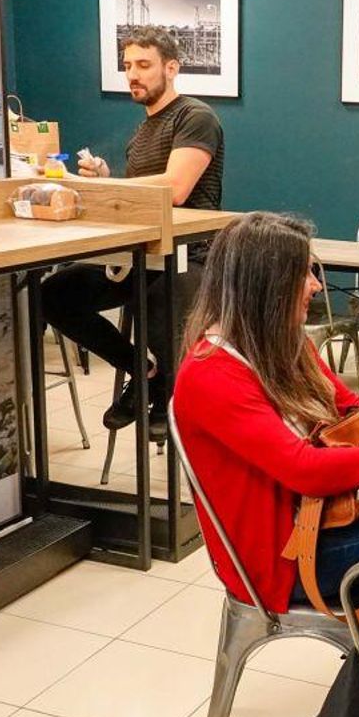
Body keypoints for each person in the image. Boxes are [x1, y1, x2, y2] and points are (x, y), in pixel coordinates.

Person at [172, 212, 359, 613]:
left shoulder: (280, 342)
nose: (317, 286)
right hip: (279, 560)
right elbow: (305, 469)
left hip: (317, 526)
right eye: (305, 274)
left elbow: (351, 408)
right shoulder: (210, 373)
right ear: (268, 287)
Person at [41, 25, 225, 433]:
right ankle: (144, 374)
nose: (133, 75)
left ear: (171, 68)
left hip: (189, 254)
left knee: (160, 304)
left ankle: (169, 402)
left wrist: (107, 186)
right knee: (53, 295)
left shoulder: (196, 117)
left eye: (144, 65)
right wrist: (107, 179)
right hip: (139, 253)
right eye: (127, 66)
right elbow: (144, 191)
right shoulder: (142, 133)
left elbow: (176, 189)